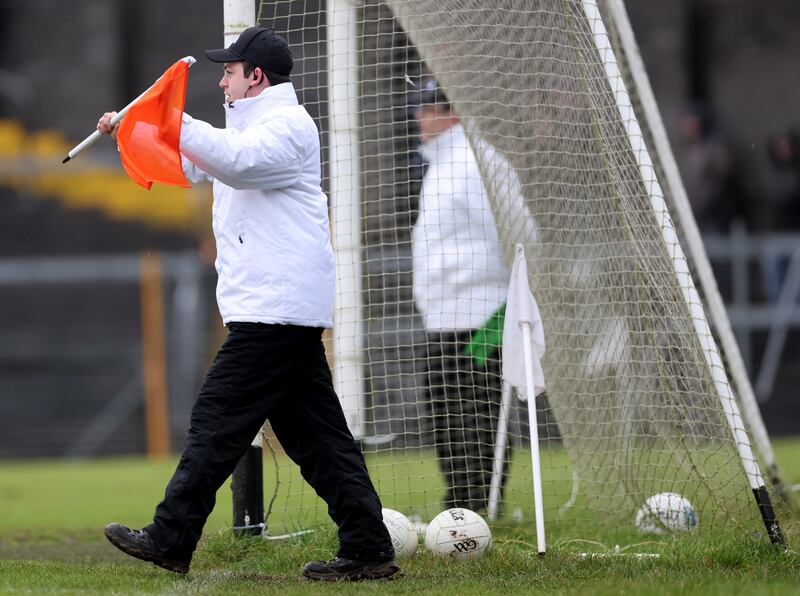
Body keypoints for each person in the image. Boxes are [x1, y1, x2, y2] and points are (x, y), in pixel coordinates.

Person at [97, 27, 398, 582]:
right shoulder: (249, 128)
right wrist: (132, 126)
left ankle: (171, 535)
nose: (221, 78)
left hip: (274, 311)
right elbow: (187, 164)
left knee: (215, 422)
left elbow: (231, 160)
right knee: (320, 442)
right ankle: (369, 548)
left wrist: (169, 116)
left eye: (230, 70)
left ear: (255, 76)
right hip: (275, 310)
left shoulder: (287, 127)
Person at [411, 79, 512, 513]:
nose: (420, 117)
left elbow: (517, 231)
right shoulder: (439, 166)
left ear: (451, 113)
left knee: (481, 410)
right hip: (442, 316)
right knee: (446, 412)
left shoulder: (477, 162)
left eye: (430, 107)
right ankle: (459, 501)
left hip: (485, 314)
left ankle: (484, 503)